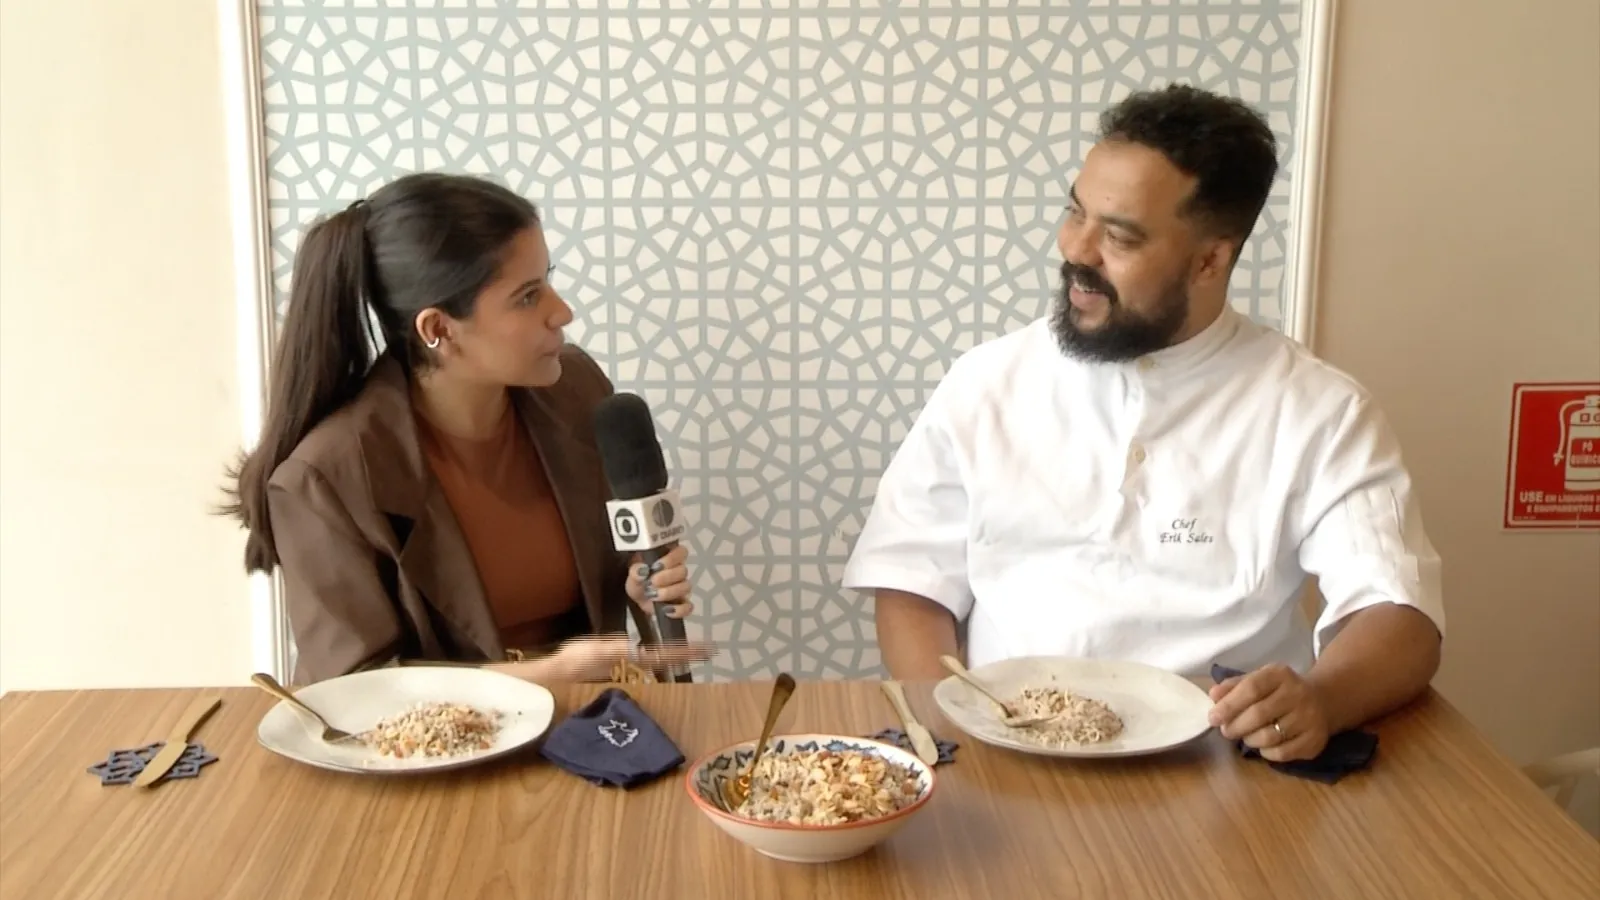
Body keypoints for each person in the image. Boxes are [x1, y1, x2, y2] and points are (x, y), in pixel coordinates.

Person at [843, 85, 1444, 762]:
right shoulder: (986, 382)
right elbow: (912, 583)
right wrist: (951, 727)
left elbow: (1400, 615)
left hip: (1223, 768)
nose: (1076, 249)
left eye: (1119, 236)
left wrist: (1323, 700)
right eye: (1075, 211)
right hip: (1003, 754)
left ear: (1211, 259)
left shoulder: (1319, 411)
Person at [222, 172, 714, 685]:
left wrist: (638, 587)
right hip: (431, 738)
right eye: (528, 296)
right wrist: (552, 674)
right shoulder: (322, 480)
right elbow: (358, 691)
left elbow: (602, 581)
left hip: (589, 720)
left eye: (547, 280)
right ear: (438, 329)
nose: (562, 312)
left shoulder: (576, 393)